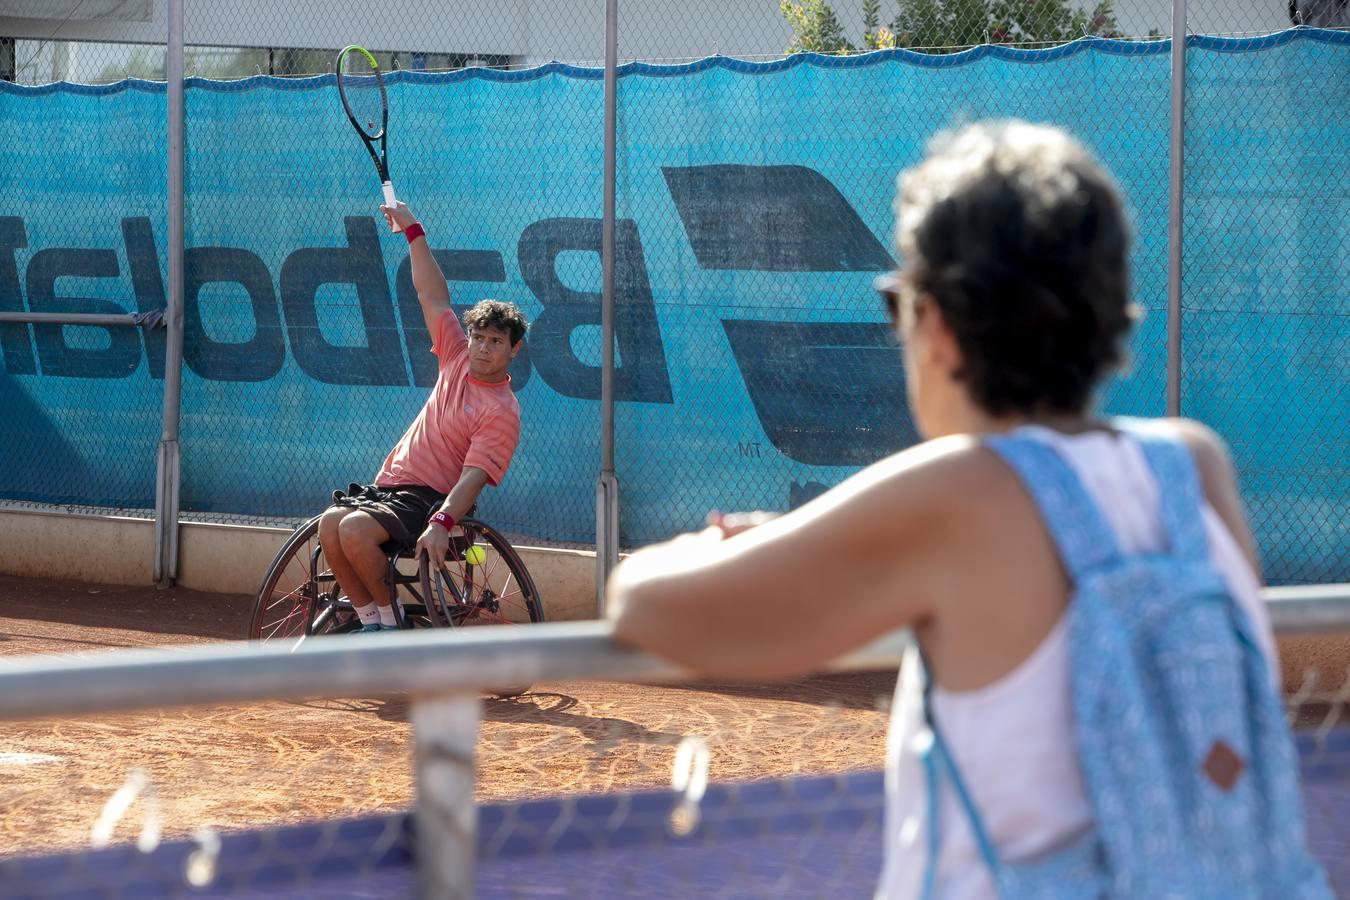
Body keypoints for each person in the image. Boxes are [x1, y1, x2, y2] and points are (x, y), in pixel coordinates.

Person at [606, 122, 1329, 897]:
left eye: (899, 303)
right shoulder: (1193, 464)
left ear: (940, 326)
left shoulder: (960, 492)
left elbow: (646, 605)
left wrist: (702, 549)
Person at [318, 201, 528, 633]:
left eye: (495, 341)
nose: (483, 347)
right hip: (390, 486)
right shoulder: (454, 355)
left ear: (514, 349)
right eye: (478, 337)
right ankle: (370, 622)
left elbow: (472, 477)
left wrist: (442, 521)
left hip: (430, 499)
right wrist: (413, 231)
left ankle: (392, 628)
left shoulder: (502, 411)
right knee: (329, 524)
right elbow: (431, 295)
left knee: (355, 530)